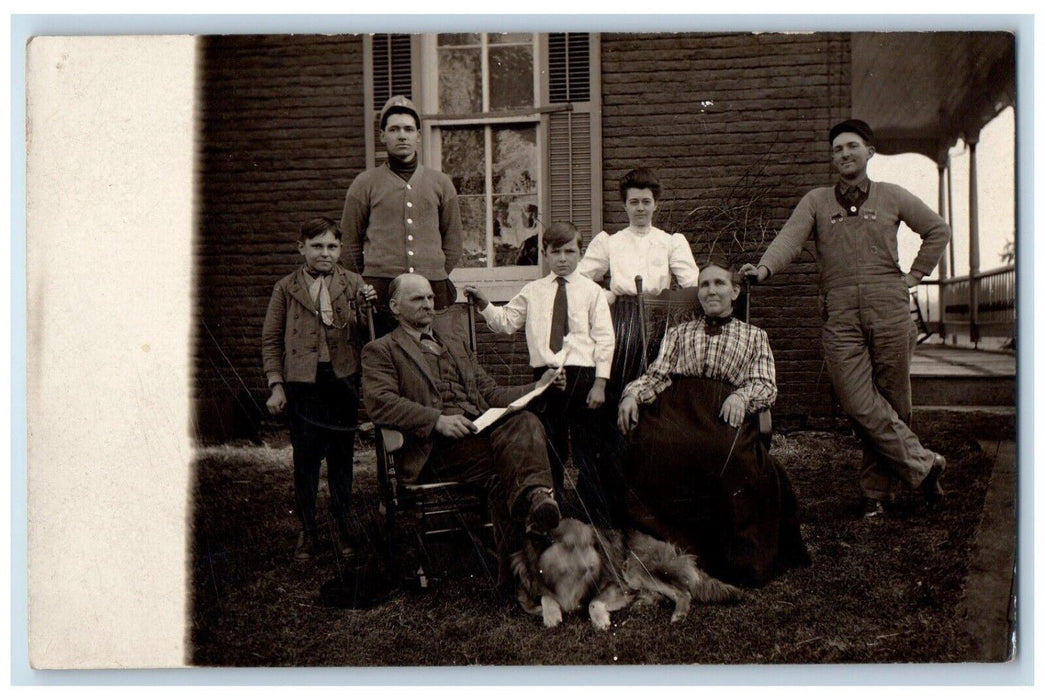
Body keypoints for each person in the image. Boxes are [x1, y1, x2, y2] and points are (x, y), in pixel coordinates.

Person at [740, 119, 950, 518]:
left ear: (870, 152)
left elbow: (937, 230)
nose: (844, 154)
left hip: (889, 305)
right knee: (857, 402)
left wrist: (915, 276)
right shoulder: (817, 200)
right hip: (839, 311)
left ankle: (875, 494)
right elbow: (789, 238)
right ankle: (924, 464)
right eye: (837, 149)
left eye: (852, 146)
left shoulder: (892, 195)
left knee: (891, 401)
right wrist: (764, 268)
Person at [361, 273, 566, 588]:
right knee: (509, 465)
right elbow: (381, 403)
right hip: (434, 448)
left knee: (524, 423)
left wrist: (538, 387)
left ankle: (517, 564)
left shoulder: (454, 344)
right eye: (418, 299)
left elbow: (492, 395)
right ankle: (536, 518)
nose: (428, 305)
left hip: (478, 436)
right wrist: (436, 420)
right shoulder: (381, 350)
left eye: (430, 298)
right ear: (395, 306)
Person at [617, 261, 810, 587]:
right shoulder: (679, 333)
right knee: (649, 448)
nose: (710, 290)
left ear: (735, 291)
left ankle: (727, 559)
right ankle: (662, 552)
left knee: (727, 457)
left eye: (719, 283)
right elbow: (658, 376)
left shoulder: (754, 336)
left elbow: (765, 385)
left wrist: (742, 397)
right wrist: (631, 395)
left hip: (724, 414)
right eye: (704, 285)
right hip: (678, 412)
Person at [464, 222, 616, 524]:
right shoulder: (533, 291)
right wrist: (484, 303)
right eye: (555, 252)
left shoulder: (592, 292)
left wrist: (600, 384)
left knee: (588, 451)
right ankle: (552, 512)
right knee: (550, 447)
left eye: (570, 251)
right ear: (544, 254)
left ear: (580, 253)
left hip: (583, 379)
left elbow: (605, 338)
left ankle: (594, 519)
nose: (563, 258)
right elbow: (506, 322)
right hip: (544, 379)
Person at [262, 217, 377, 561]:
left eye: (331, 247)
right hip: (303, 385)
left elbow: (366, 335)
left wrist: (368, 307)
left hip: (341, 381)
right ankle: (308, 529)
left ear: (340, 249)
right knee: (306, 459)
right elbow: (271, 340)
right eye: (317, 246)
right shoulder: (285, 288)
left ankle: (342, 524)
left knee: (342, 458)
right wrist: (276, 386)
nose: (325, 254)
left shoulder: (355, 284)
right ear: (302, 248)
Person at [340, 95, 463, 337]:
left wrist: (433, 272)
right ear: (383, 136)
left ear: (418, 135)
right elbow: (349, 244)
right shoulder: (364, 184)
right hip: (381, 288)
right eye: (394, 129)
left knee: (436, 355)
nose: (402, 135)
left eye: (408, 129)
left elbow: (453, 242)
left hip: (432, 287)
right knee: (385, 356)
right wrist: (367, 281)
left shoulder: (441, 183)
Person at [578, 167, 701, 399]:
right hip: (622, 320)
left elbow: (692, 285)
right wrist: (606, 296)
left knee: (657, 380)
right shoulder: (610, 243)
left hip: (659, 318)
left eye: (646, 201)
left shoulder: (670, 242)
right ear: (625, 205)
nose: (640, 208)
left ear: (656, 204)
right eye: (634, 202)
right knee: (619, 379)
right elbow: (580, 279)